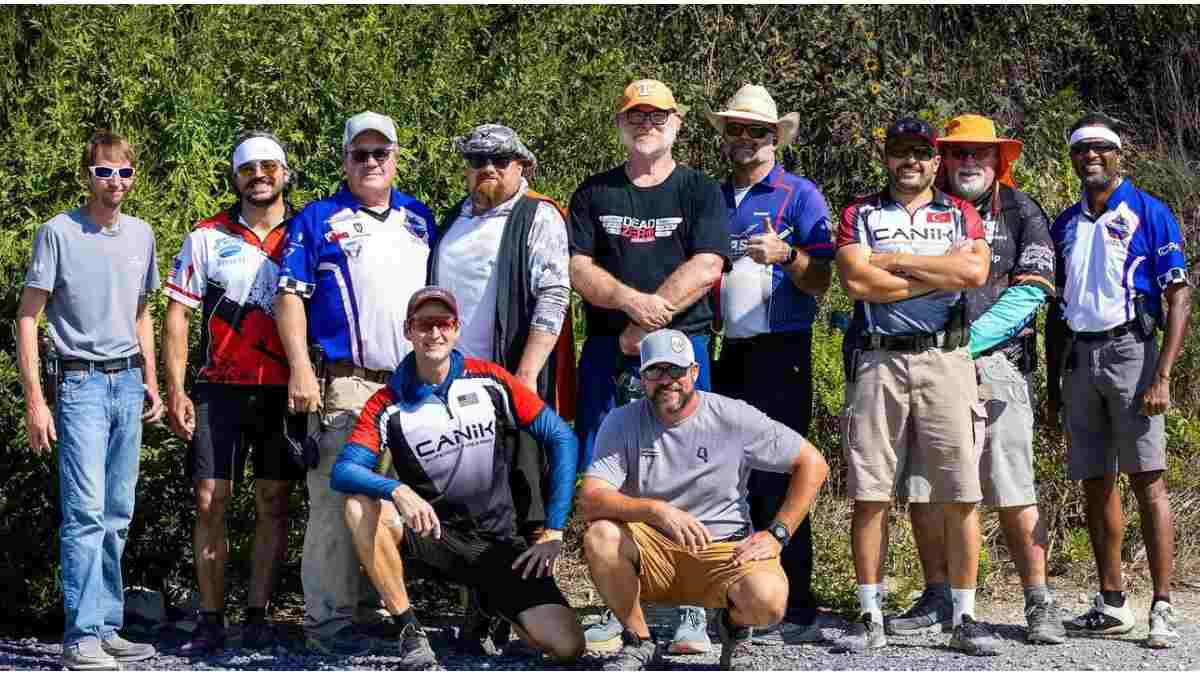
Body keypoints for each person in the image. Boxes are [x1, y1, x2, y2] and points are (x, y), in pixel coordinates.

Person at [883, 114, 1066, 644]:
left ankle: (1039, 601)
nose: (968, 163)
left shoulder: (1022, 210)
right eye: (958, 153)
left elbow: (1033, 289)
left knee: (1011, 483)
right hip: (925, 360)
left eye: (978, 154)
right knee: (924, 484)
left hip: (996, 362)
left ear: (997, 162)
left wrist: (970, 340)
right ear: (943, 159)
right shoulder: (922, 210)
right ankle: (938, 595)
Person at [331, 286, 585, 668]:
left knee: (567, 646)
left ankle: (488, 606)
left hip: (500, 543)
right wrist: (396, 488)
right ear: (408, 331)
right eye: (424, 324)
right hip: (435, 537)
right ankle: (410, 630)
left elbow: (561, 436)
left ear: (456, 329)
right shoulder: (386, 402)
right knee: (360, 506)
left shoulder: (491, 380)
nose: (434, 333)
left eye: (443, 323)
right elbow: (344, 471)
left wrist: (553, 529)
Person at [570, 78, 731, 655]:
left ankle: (693, 612)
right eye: (636, 116)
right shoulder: (594, 193)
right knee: (608, 474)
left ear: (677, 123)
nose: (647, 124)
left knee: (693, 471)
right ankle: (622, 612)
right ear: (620, 123)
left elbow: (709, 263)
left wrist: (651, 319)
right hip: (609, 354)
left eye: (657, 115)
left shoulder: (698, 190)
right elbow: (580, 269)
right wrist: (627, 305)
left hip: (682, 352)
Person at [834, 117, 999, 655]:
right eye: (901, 152)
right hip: (880, 361)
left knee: (960, 491)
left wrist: (897, 263)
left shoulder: (959, 211)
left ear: (935, 161)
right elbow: (857, 280)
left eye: (921, 154)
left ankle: (964, 616)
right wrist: (937, 270)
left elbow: (973, 274)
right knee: (870, 490)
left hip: (946, 358)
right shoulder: (860, 212)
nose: (911, 162)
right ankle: (869, 613)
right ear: (887, 158)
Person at [275, 111, 435, 655]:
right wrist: (299, 368)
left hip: (412, 387)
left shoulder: (420, 217)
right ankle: (327, 621)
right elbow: (289, 295)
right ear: (344, 160)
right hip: (345, 383)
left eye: (380, 153)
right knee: (335, 501)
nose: (371, 162)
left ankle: (371, 608)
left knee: (391, 505)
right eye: (360, 154)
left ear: (396, 157)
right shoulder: (318, 218)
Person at [579, 328, 829, 670]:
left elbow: (812, 463)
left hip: (724, 549)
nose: (667, 380)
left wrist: (778, 534)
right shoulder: (622, 420)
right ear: (643, 376)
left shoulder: (733, 416)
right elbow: (591, 499)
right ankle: (639, 641)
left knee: (768, 600)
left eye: (677, 371)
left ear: (694, 372)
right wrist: (655, 511)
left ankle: (734, 630)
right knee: (601, 535)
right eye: (655, 371)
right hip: (653, 550)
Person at [1045, 113, 1191, 649]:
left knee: (1147, 477)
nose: (1091, 157)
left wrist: (1163, 374)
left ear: (1117, 153)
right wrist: (1052, 381)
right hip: (1080, 359)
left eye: (1100, 148)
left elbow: (1178, 296)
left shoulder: (1149, 212)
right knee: (1095, 480)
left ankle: (1163, 605)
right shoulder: (1065, 223)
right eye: (1081, 150)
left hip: (1133, 351)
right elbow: (1056, 308)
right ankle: (1112, 601)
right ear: (1073, 159)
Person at [16, 131, 162, 669]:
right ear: (88, 175)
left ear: (133, 176)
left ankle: (106, 625)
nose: (115, 182)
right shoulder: (57, 233)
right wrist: (37, 400)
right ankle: (79, 637)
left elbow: (142, 313)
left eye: (123, 172)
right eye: (104, 172)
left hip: (127, 383)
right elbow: (28, 317)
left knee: (118, 514)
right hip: (79, 386)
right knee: (84, 515)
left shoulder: (142, 235)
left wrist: (151, 380)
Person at [163, 131, 304, 653]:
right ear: (235, 177)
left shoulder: (306, 232)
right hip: (217, 388)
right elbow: (177, 315)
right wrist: (176, 387)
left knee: (274, 499)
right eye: (248, 168)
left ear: (285, 172)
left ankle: (258, 615)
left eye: (269, 166)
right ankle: (210, 618)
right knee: (209, 499)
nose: (259, 175)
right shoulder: (205, 235)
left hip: (281, 389)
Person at [705, 84, 834, 646]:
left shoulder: (799, 195)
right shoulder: (711, 196)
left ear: (775, 136)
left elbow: (825, 276)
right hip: (725, 348)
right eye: (734, 129)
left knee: (784, 469)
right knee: (727, 472)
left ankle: (798, 602)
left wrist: (790, 255)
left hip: (782, 348)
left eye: (756, 130)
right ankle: (737, 598)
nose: (744, 139)